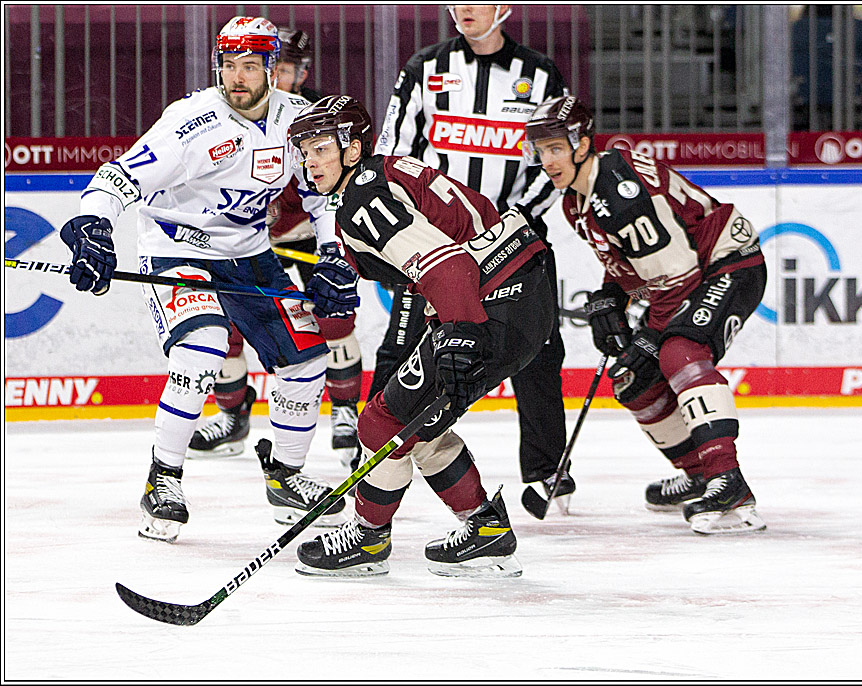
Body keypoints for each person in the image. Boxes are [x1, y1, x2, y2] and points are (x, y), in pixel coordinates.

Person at [58, 16, 354, 543]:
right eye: (227, 66)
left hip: (249, 252)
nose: (236, 78)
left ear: (271, 69)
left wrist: (332, 253)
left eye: (249, 66)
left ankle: (285, 477)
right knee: (202, 347)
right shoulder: (191, 121)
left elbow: (321, 192)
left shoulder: (299, 120)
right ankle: (163, 480)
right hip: (177, 248)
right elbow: (118, 176)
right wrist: (92, 226)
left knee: (307, 358)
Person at [287, 95, 556, 577]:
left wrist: (458, 331)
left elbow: (447, 266)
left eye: (320, 147)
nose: (310, 162)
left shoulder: (362, 199)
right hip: (521, 290)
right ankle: (486, 530)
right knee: (419, 423)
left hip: (490, 301)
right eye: (304, 151)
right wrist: (337, 279)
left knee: (381, 422)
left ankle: (367, 540)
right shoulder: (380, 176)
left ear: (351, 149)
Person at [523, 95, 768, 535]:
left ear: (582, 146)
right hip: (687, 276)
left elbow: (680, 277)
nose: (547, 160)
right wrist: (609, 298)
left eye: (556, 148)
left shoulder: (617, 190)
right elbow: (632, 263)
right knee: (634, 380)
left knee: (679, 351)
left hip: (729, 264)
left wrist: (649, 336)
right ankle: (699, 475)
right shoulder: (576, 203)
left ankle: (728, 482)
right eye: (540, 151)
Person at [373, 4, 574, 510]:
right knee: (402, 345)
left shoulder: (540, 74)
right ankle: (372, 452)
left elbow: (553, 160)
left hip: (517, 241)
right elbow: (393, 149)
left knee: (539, 349)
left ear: (503, 8)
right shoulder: (424, 68)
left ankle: (547, 469)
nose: (463, 8)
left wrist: (507, 226)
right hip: (433, 242)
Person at [189, 26, 363, 474]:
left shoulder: (312, 118)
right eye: (274, 67)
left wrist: (326, 237)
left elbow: (329, 190)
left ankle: (345, 410)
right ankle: (232, 414)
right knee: (225, 326)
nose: (278, 77)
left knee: (333, 317)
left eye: (285, 69)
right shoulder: (229, 114)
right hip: (249, 245)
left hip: (302, 238)